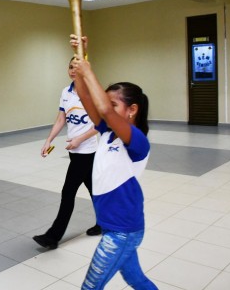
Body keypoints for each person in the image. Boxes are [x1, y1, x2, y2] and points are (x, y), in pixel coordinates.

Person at [70, 35, 158, 290]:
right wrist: (80, 65)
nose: (105, 108)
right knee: (136, 279)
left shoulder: (138, 141)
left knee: (90, 287)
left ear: (132, 110)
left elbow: (105, 110)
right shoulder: (107, 131)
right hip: (113, 227)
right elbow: (87, 98)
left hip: (123, 231)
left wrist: (90, 71)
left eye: (113, 104)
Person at [33, 57, 101, 250]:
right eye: (70, 67)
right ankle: (106, 222)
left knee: (68, 192)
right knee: (93, 189)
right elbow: (61, 119)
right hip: (75, 150)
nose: (72, 71)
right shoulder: (66, 92)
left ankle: (53, 236)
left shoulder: (92, 93)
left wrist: (80, 139)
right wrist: (48, 140)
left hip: (87, 151)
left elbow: (100, 124)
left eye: (77, 68)